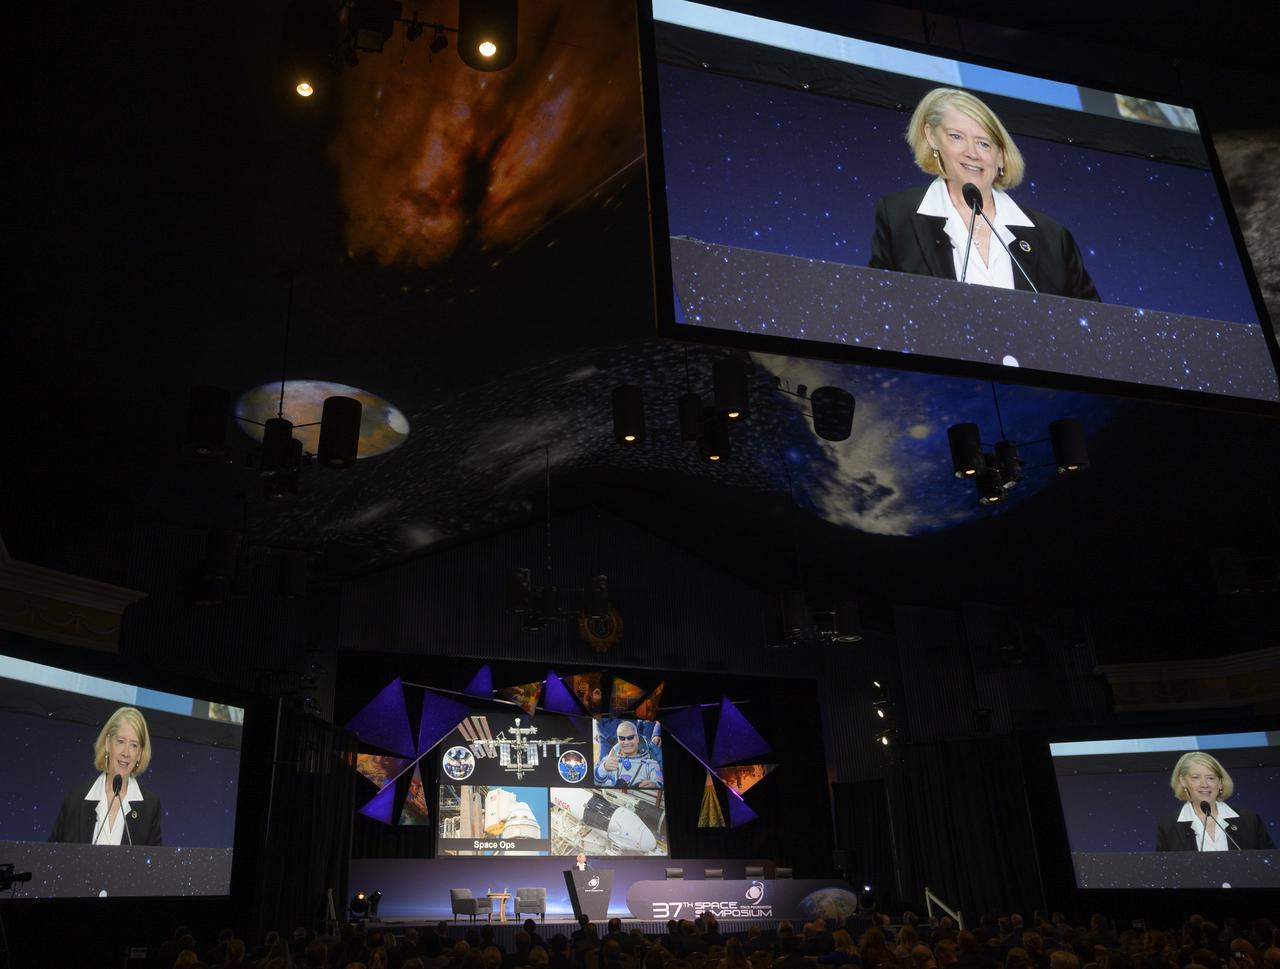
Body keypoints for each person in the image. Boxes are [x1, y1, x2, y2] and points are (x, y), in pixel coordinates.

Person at [869, 87, 1100, 302]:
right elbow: (879, 305)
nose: (972, 153)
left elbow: (1093, 324)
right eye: (956, 137)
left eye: (984, 144)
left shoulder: (1053, 238)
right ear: (932, 137)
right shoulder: (898, 216)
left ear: (1000, 157)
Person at [49, 705, 163, 845]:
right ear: (108, 743)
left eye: (134, 745)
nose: (126, 753)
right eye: (120, 742)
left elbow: (153, 864)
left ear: (139, 754)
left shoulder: (150, 807)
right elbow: (53, 857)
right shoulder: (75, 801)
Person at [1155, 751, 1275, 851]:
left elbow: (1271, 865)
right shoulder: (1169, 826)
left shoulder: (1249, 820)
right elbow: (1164, 873)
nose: (1204, 784)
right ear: (1183, 781)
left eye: (1211, 778)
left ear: (1220, 783)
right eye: (1196, 778)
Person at [594, 721, 663, 788]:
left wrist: (654, 785)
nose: (626, 742)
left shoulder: (650, 764)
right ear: (618, 740)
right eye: (622, 738)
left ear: (637, 739)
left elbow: (660, 781)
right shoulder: (610, 760)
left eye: (630, 738)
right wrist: (603, 768)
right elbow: (595, 781)